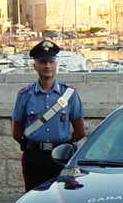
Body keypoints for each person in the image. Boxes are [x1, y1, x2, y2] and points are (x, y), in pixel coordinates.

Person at [12, 40, 86, 191]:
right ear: (35, 66)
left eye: (51, 62)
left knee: (64, 199)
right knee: (34, 199)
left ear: (56, 64)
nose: (47, 66)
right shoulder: (25, 95)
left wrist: (64, 147)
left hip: (61, 157)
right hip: (34, 157)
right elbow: (17, 132)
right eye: (42, 62)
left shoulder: (69, 94)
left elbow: (80, 131)